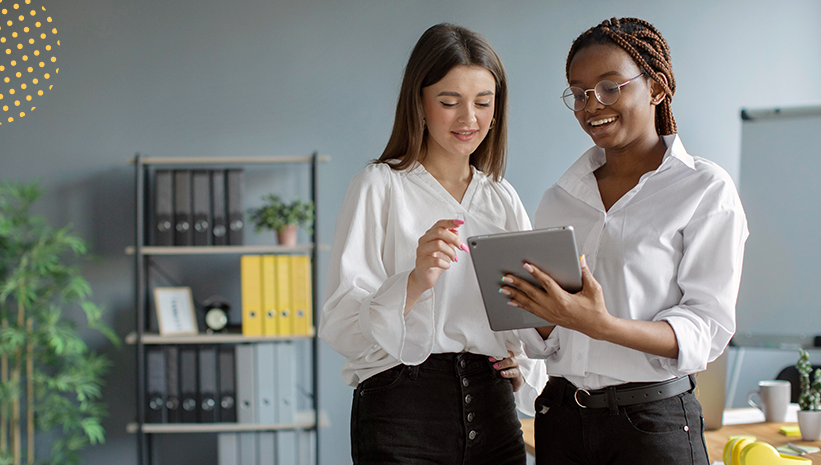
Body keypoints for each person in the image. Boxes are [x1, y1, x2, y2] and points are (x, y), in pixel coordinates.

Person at [501, 17, 749, 464]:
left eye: (610, 87)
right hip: (561, 420)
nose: (592, 105)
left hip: (652, 425)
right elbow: (546, 344)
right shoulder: (560, 197)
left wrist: (601, 324)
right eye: (578, 93)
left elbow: (706, 328)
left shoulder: (704, 189)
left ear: (655, 87)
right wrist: (537, 309)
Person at [319, 23, 546, 465]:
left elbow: (522, 315)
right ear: (419, 103)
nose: (469, 119)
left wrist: (526, 364)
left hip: (494, 408)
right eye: (449, 102)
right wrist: (414, 281)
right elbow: (340, 323)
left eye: (483, 102)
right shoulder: (379, 186)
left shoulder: (501, 197)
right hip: (402, 410)